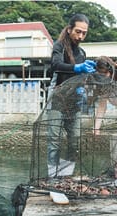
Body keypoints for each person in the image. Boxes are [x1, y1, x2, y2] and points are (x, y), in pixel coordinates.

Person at [47, 14, 96, 178]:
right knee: (54, 141)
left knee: (74, 140)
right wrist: (76, 68)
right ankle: (52, 176)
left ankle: (66, 174)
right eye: (77, 31)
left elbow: (83, 77)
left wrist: (83, 87)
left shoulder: (82, 52)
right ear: (69, 30)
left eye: (84, 33)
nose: (80, 36)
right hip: (57, 100)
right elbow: (56, 65)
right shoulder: (59, 46)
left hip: (74, 102)